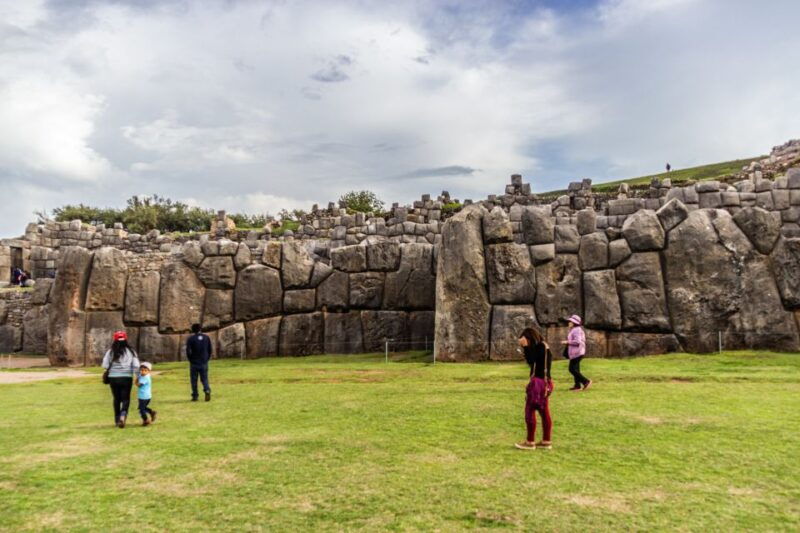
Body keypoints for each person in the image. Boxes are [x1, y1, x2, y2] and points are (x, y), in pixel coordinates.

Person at [515, 327, 554, 450]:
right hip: (546, 383)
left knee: (529, 411)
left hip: (537, 384)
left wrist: (525, 346)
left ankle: (530, 442)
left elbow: (531, 360)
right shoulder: (545, 347)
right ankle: (546, 441)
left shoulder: (540, 347)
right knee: (544, 412)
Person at [101, 331, 140, 428]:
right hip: (126, 378)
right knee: (125, 399)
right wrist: (138, 376)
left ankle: (117, 419)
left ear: (114, 339)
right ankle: (123, 415)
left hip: (113, 378)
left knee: (116, 399)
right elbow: (136, 366)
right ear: (126, 339)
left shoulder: (110, 351)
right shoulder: (131, 351)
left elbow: (105, 365)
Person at [562, 315, 591, 391]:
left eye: (570, 321)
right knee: (576, 369)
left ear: (574, 322)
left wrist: (567, 342)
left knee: (571, 369)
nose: (569, 322)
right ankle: (577, 386)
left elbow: (577, 342)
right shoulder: (575, 329)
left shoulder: (576, 330)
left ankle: (586, 381)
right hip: (577, 352)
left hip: (577, 353)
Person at [186, 323, 212, 402]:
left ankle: (195, 395)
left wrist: (190, 359)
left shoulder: (191, 339)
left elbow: (188, 351)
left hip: (194, 362)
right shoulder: (206, 338)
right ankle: (207, 389)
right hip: (204, 362)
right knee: (204, 378)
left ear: (193, 330)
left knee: (194, 380)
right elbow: (210, 349)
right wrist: (207, 359)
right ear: (201, 329)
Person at [136, 362, 157, 426]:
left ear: (149, 371)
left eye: (145, 370)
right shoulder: (142, 375)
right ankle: (152, 412)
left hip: (144, 397)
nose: (143, 372)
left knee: (141, 410)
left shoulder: (145, 377)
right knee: (143, 408)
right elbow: (138, 376)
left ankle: (146, 420)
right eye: (142, 370)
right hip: (143, 396)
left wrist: (135, 382)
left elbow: (139, 385)